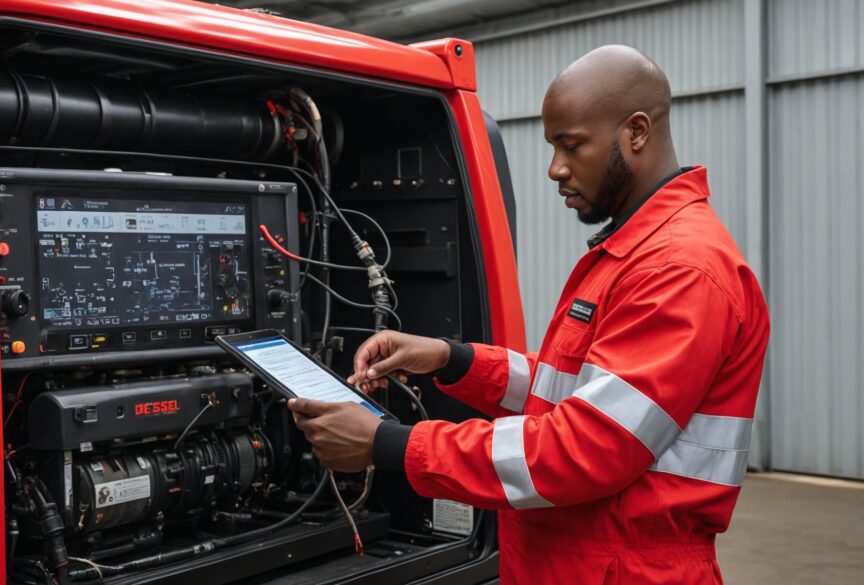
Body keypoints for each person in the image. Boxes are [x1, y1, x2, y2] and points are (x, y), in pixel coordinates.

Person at [288, 45, 769, 584]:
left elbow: (586, 447)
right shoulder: (637, 250)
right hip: (578, 560)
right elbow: (572, 388)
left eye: (572, 145)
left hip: (625, 568)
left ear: (636, 132)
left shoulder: (680, 268)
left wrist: (387, 443)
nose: (555, 169)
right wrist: (452, 359)